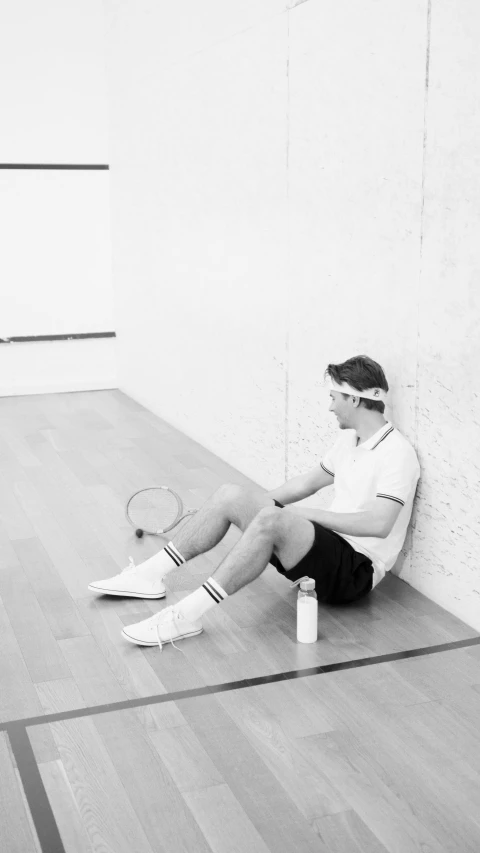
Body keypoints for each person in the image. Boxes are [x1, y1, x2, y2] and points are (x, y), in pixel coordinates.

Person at [88, 355, 420, 650]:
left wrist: (299, 515)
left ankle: (184, 616)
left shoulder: (397, 454)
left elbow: (380, 524)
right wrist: (252, 505)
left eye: (335, 398)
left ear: (356, 399)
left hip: (355, 571)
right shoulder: (349, 440)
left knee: (272, 522)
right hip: (326, 549)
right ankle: (149, 576)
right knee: (231, 494)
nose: (330, 407)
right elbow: (306, 483)